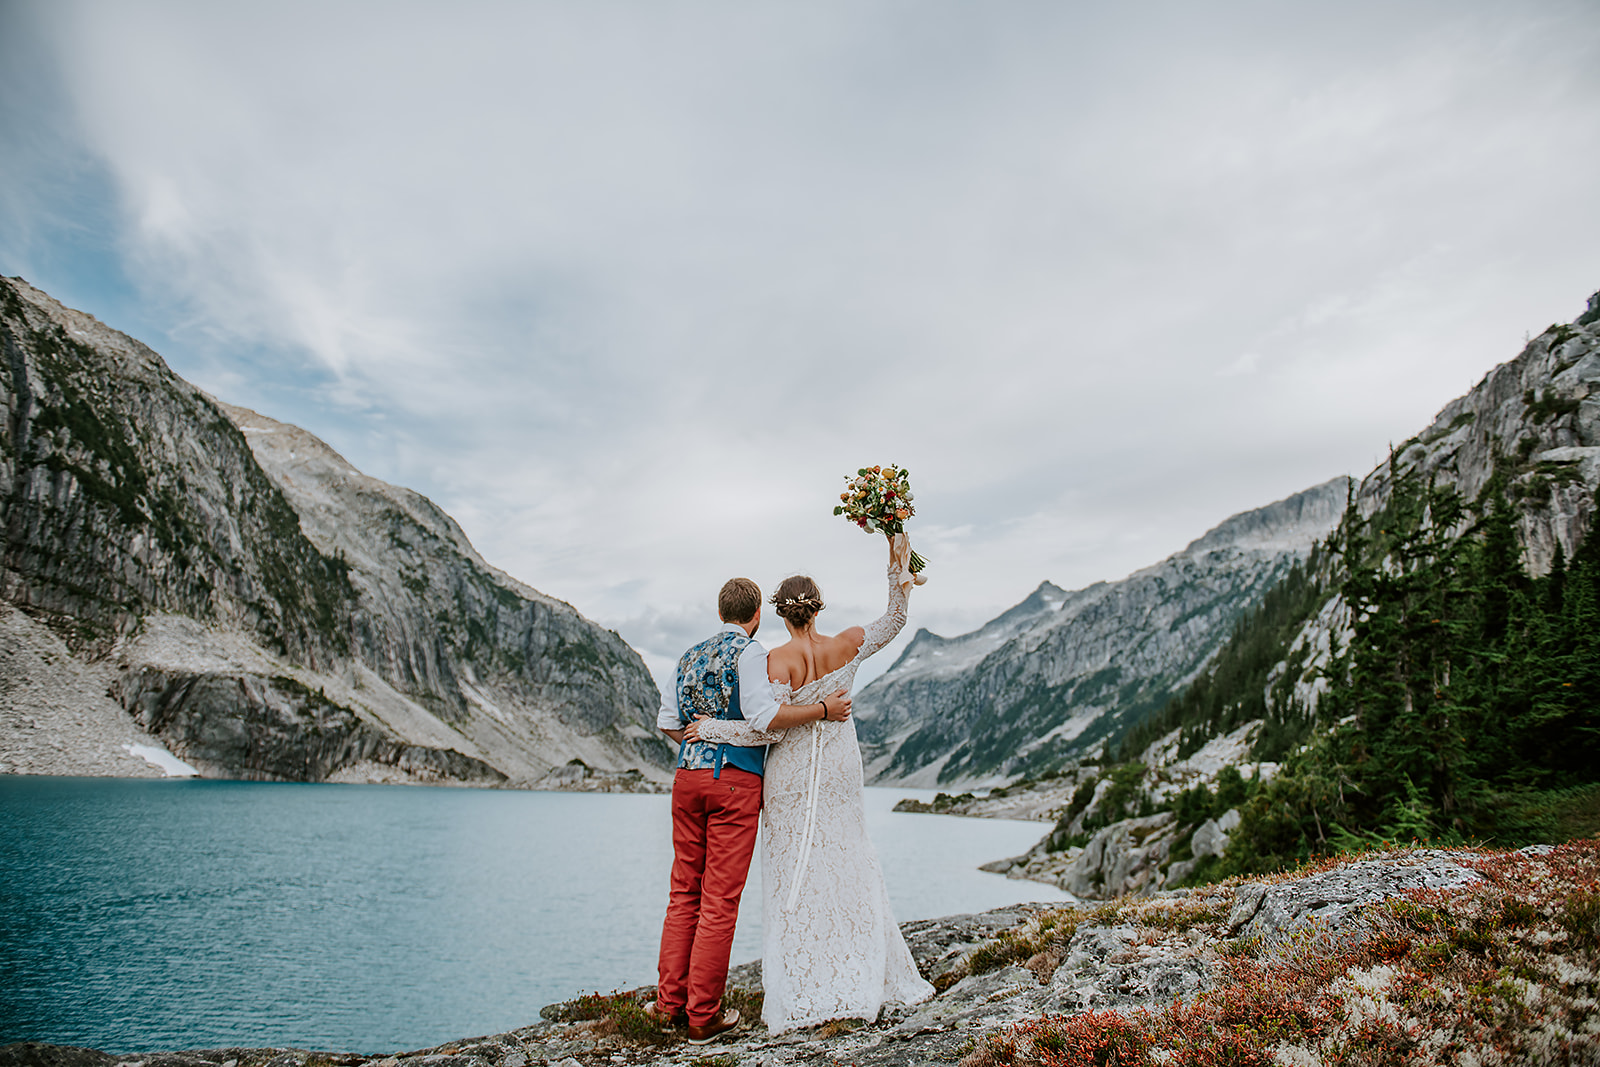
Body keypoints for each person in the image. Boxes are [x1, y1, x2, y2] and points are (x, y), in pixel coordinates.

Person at [689, 534, 934, 1032]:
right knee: (848, 857)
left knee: (794, 877)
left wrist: (709, 728)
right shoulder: (846, 644)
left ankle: (805, 979)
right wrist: (897, 558)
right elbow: (895, 619)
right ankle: (862, 964)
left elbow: (762, 727)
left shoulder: (774, 661)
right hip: (843, 767)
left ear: (780, 613)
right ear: (818, 608)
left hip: (792, 776)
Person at [652, 576, 851, 1045]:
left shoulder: (687, 656)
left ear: (721, 612)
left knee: (683, 892)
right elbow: (764, 722)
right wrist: (821, 709)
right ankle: (703, 1016)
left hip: (686, 779)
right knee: (719, 900)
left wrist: (698, 743)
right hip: (734, 783)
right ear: (757, 614)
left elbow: (666, 722)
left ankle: (668, 1005)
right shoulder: (753, 654)